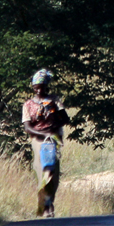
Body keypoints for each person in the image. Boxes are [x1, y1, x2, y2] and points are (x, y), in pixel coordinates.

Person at [23, 69, 70, 218]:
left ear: (46, 86)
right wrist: (44, 133)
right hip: (38, 140)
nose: (39, 88)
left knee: (52, 174)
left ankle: (48, 204)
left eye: (42, 85)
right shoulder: (28, 104)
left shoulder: (54, 101)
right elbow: (27, 127)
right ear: (33, 87)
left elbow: (65, 118)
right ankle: (44, 206)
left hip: (53, 139)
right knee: (43, 173)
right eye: (36, 86)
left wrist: (53, 127)